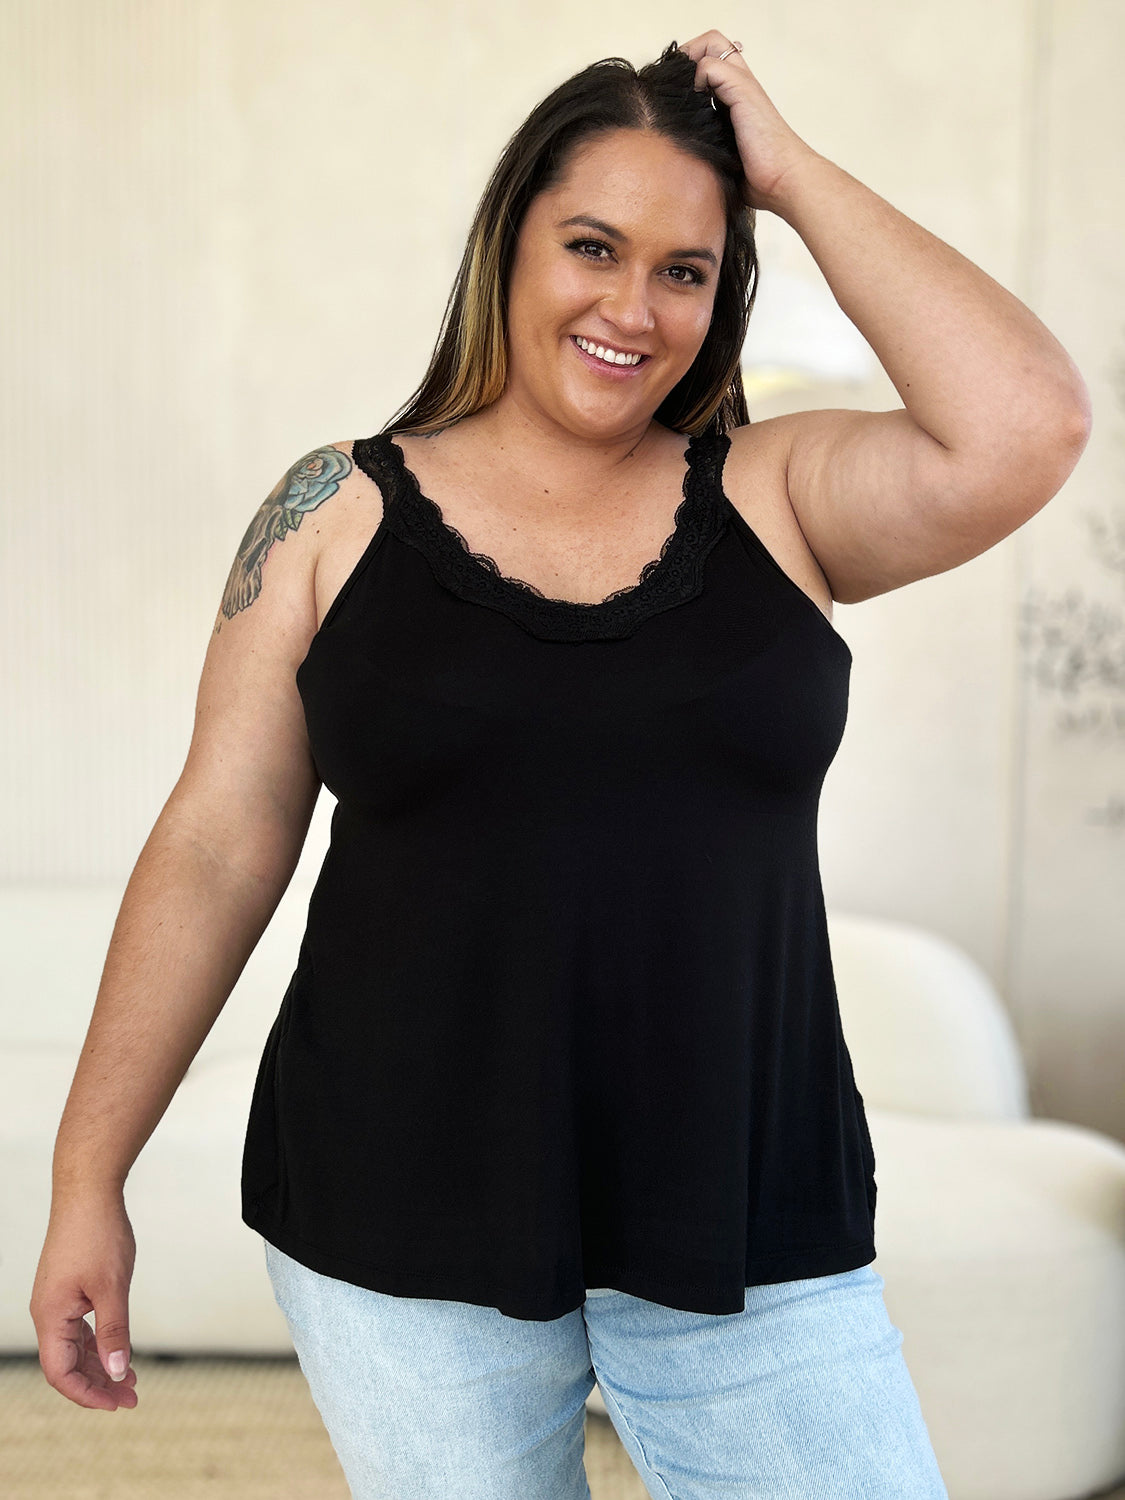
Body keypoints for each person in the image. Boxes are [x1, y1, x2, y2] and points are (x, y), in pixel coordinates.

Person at [30, 28, 1089, 1499]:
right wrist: (88, 1180)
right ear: (507, 243)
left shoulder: (783, 495)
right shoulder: (330, 509)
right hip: (393, 1218)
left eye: (685, 268)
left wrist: (782, 171)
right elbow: (218, 840)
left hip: (744, 1222)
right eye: (591, 245)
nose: (630, 306)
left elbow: (1027, 425)